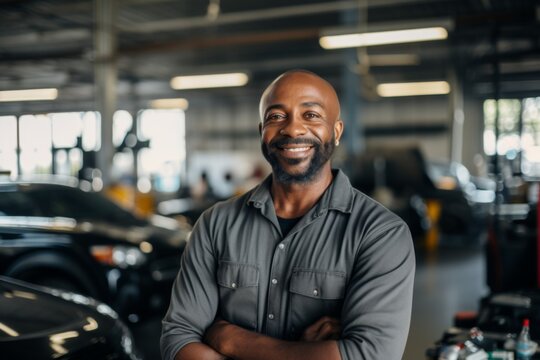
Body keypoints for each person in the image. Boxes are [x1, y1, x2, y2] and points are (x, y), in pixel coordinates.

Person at [161, 69, 415, 360]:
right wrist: (306, 352)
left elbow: (370, 355)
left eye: (311, 115)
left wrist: (230, 340)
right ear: (262, 132)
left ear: (336, 131)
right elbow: (178, 338)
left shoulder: (380, 234)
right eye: (276, 116)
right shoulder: (215, 225)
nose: (293, 129)